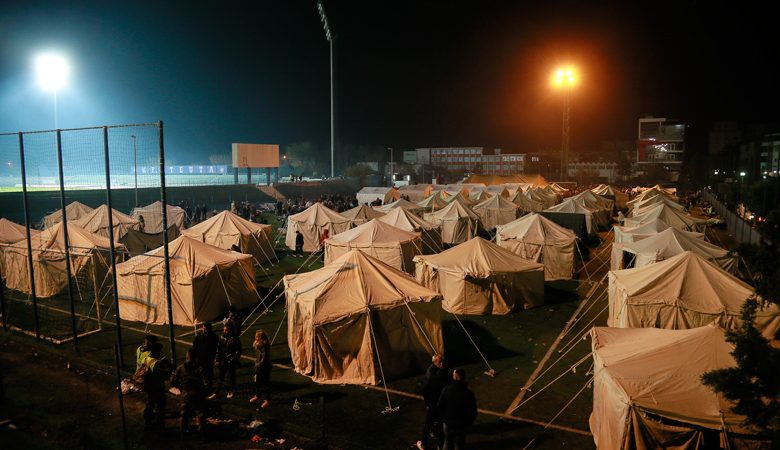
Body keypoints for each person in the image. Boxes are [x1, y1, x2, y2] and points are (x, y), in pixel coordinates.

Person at [170, 348, 207, 437]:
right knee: (200, 413)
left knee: (184, 414)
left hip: (186, 393)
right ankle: (203, 432)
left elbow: (173, 381)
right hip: (197, 393)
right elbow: (206, 382)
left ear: (187, 357)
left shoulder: (181, 368)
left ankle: (183, 432)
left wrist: (181, 388)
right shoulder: (200, 368)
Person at [437, 368, 477, 450]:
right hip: (461, 424)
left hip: (448, 422)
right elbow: (473, 411)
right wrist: (469, 422)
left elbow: (440, 405)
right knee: (459, 444)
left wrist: (443, 418)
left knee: (447, 441)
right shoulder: (468, 393)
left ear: (455, 377)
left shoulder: (446, 389)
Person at [417, 354, 449, 450]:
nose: (442, 362)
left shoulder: (435, 374)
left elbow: (425, 392)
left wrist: (428, 403)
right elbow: (426, 391)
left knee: (431, 424)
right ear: (435, 362)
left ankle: (427, 443)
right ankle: (437, 444)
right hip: (437, 405)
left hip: (434, 405)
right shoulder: (431, 373)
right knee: (434, 424)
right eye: (440, 361)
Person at [141, 342, 172, 432]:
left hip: (148, 387)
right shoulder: (157, 363)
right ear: (156, 352)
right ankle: (160, 427)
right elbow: (165, 376)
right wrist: (169, 367)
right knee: (160, 407)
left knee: (149, 405)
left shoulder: (145, 359)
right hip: (157, 388)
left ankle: (148, 423)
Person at [214, 324, 242, 399]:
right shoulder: (222, 337)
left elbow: (239, 351)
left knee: (231, 377)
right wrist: (217, 359)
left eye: (227, 330)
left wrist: (232, 359)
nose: (225, 331)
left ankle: (231, 391)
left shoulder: (235, 338)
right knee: (221, 376)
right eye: (224, 330)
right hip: (223, 360)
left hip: (231, 361)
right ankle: (216, 392)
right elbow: (218, 349)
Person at [192, 322, 218, 393]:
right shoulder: (199, 336)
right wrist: (195, 355)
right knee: (201, 372)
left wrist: (215, 358)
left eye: (205, 329)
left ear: (209, 329)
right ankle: (203, 384)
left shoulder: (214, 337)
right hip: (200, 358)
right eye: (203, 328)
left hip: (209, 358)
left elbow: (216, 348)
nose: (204, 330)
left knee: (209, 372)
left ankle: (209, 385)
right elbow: (195, 345)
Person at [249, 330, 271, 408]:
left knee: (265, 383)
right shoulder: (258, 344)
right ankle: (258, 395)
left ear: (261, 337)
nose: (255, 337)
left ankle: (267, 400)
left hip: (264, 366)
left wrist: (259, 364)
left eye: (257, 336)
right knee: (257, 382)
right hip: (258, 365)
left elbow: (264, 358)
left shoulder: (264, 345)